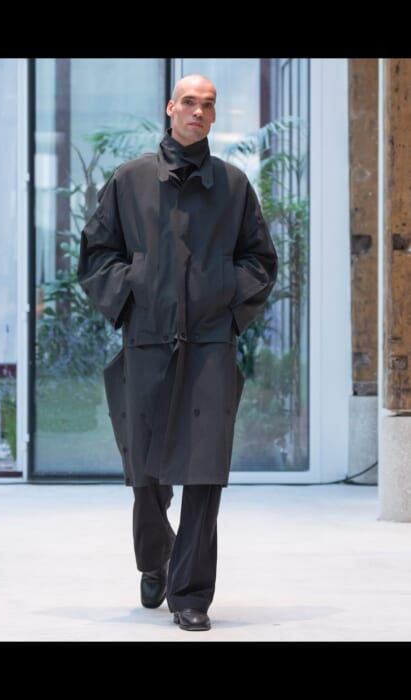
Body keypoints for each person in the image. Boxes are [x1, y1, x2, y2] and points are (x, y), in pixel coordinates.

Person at [78, 74, 278, 632]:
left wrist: (224, 298)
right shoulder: (130, 180)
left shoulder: (233, 186)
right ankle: (155, 558)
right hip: (147, 341)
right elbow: (96, 254)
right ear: (171, 108)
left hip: (211, 343)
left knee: (205, 471)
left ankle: (190, 595)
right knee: (145, 472)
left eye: (208, 105)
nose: (199, 112)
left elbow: (260, 260)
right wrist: (136, 290)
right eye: (190, 102)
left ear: (213, 116)